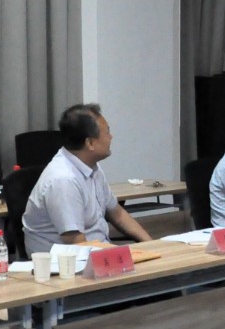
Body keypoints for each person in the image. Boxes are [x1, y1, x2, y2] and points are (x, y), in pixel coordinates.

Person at [21, 103, 150, 256]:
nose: (111, 137)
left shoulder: (92, 166)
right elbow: (76, 242)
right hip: (64, 262)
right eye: (107, 132)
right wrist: (120, 256)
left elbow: (116, 213)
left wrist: (152, 245)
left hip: (96, 251)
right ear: (90, 143)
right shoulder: (63, 180)